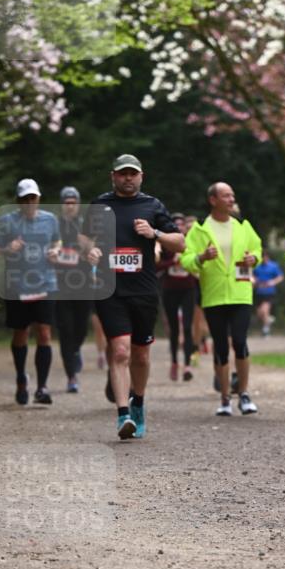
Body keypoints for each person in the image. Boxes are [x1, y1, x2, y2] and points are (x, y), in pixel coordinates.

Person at [79, 154, 184, 439]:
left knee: (140, 353)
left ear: (141, 176)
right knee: (121, 350)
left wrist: (154, 233)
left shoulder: (152, 206)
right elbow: (83, 236)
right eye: (122, 174)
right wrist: (90, 249)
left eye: (132, 174)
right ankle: (123, 414)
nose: (128, 178)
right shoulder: (100, 205)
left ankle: (138, 401)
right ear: (113, 176)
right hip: (109, 289)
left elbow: (180, 243)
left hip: (144, 290)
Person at [181, 182, 262, 416]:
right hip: (214, 295)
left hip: (240, 293)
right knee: (220, 347)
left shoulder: (243, 227)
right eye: (226, 196)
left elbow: (257, 249)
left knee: (239, 341)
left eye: (232, 195)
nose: (231, 199)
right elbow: (185, 260)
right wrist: (201, 257)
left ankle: (244, 394)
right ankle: (225, 398)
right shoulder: (199, 230)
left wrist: (253, 259)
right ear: (213, 200)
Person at [0, 177, 60, 405]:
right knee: (21, 333)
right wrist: (5, 248)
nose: (29, 202)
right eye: (25, 199)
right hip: (17, 285)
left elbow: (57, 242)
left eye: (33, 197)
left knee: (44, 333)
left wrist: (55, 251)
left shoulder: (50, 219)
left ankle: (42, 387)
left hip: (46, 284)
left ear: (39, 198)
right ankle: (21, 380)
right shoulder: (6, 222)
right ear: (18, 201)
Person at [54, 186, 91, 393]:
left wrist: (87, 247)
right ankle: (71, 376)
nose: (70, 206)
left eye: (73, 203)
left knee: (81, 328)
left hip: (83, 284)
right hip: (60, 286)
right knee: (65, 330)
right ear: (62, 205)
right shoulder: (54, 226)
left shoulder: (84, 226)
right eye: (66, 203)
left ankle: (76, 350)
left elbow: (95, 249)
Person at [157, 213, 198, 380]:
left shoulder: (191, 243)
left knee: (187, 328)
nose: (180, 227)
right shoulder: (166, 244)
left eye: (182, 224)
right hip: (170, 290)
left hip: (188, 290)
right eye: (177, 225)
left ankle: (187, 365)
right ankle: (174, 362)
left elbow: (198, 262)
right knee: (174, 329)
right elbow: (157, 265)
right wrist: (172, 263)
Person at [253, 250, 284, 336]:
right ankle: (269, 319)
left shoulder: (273, 266)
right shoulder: (257, 266)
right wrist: (255, 281)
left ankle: (266, 330)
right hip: (259, 292)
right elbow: (253, 276)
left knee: (264, 310)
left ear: (267, 257)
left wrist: (272, 282)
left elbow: (280, 277)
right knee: (259, 314)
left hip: (269, 292)